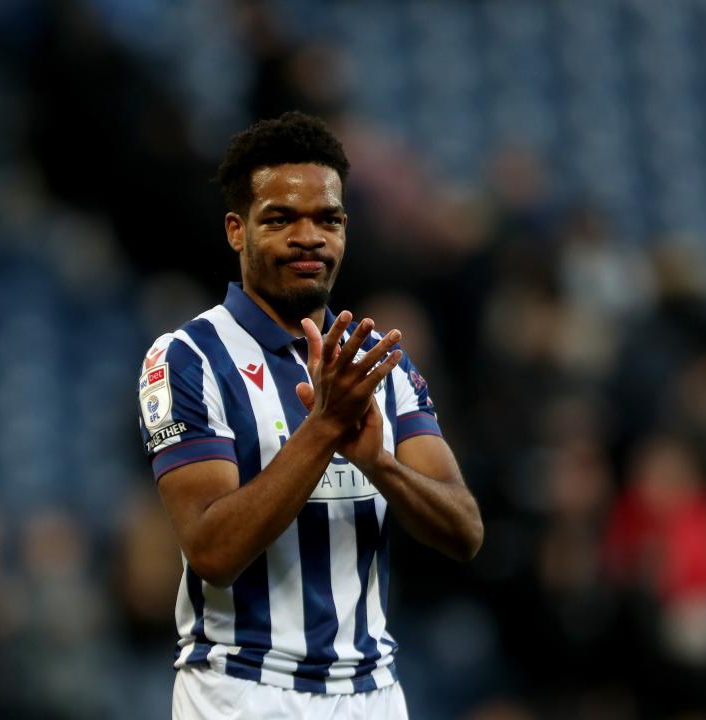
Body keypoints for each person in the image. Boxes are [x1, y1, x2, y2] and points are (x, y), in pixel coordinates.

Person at [136, 111, 483, 719]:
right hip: (242, 689)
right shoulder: (186, 358)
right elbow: (213, 552)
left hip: (372, 693)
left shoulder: (382, 367)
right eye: (280, 219)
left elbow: (465, 532)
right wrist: (323, 429)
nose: (309, 237)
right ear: (236, 231)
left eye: (328, 219)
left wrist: (380, 464)